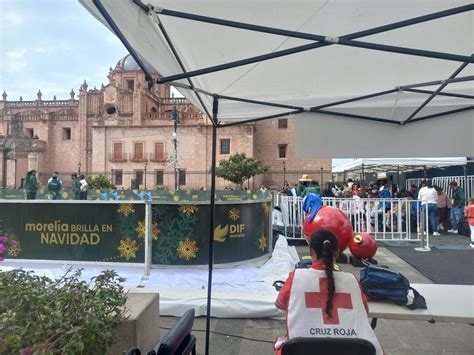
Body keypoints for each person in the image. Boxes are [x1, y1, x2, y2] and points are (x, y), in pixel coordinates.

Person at [274, 229, 383, 354]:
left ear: (310, 252)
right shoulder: (351, 280)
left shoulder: (296, 278)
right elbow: (364, 310)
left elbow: (280, 304)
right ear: (337, 253)